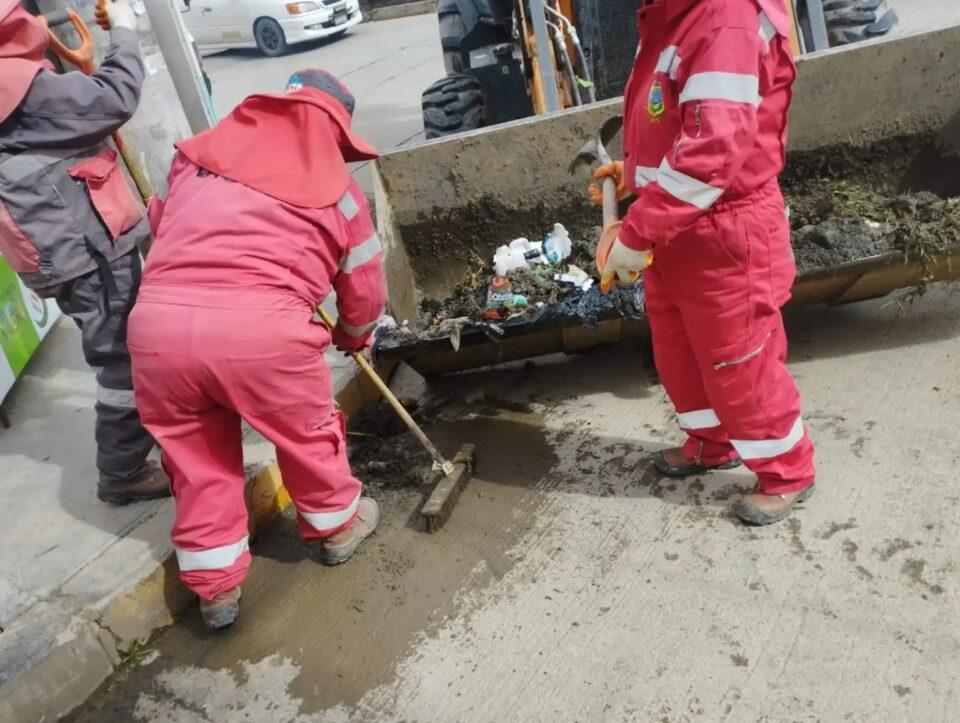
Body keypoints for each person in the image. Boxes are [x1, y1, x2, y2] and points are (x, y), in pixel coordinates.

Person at [129, 69, 386, 630]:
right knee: (305, 433)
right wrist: (352, 335)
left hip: (158, 331)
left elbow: (159, 224)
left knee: (195, 461)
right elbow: (365, 289)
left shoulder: (195, 157)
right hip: (261, 336)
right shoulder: (338, 192)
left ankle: (216, 591)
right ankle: (338, 526)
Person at [590, 0, 815, 525]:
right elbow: (674, 118)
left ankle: (787, 469)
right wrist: (636, 172)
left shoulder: (725, 20)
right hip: (677, 231)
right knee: (681, 353)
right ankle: (712, 443)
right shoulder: (674, 14)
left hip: (725, 233)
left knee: (738, 362)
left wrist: (637, 229)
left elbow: (712, 151)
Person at [0, 0, 169, 504]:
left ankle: (148, 432)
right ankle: (122, 472)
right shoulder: (16, 90)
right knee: (122, 358)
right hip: (81, 246)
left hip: (60, 241)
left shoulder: (21, 86)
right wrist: (124, 31)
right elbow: (114, 97)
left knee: (125, 347)